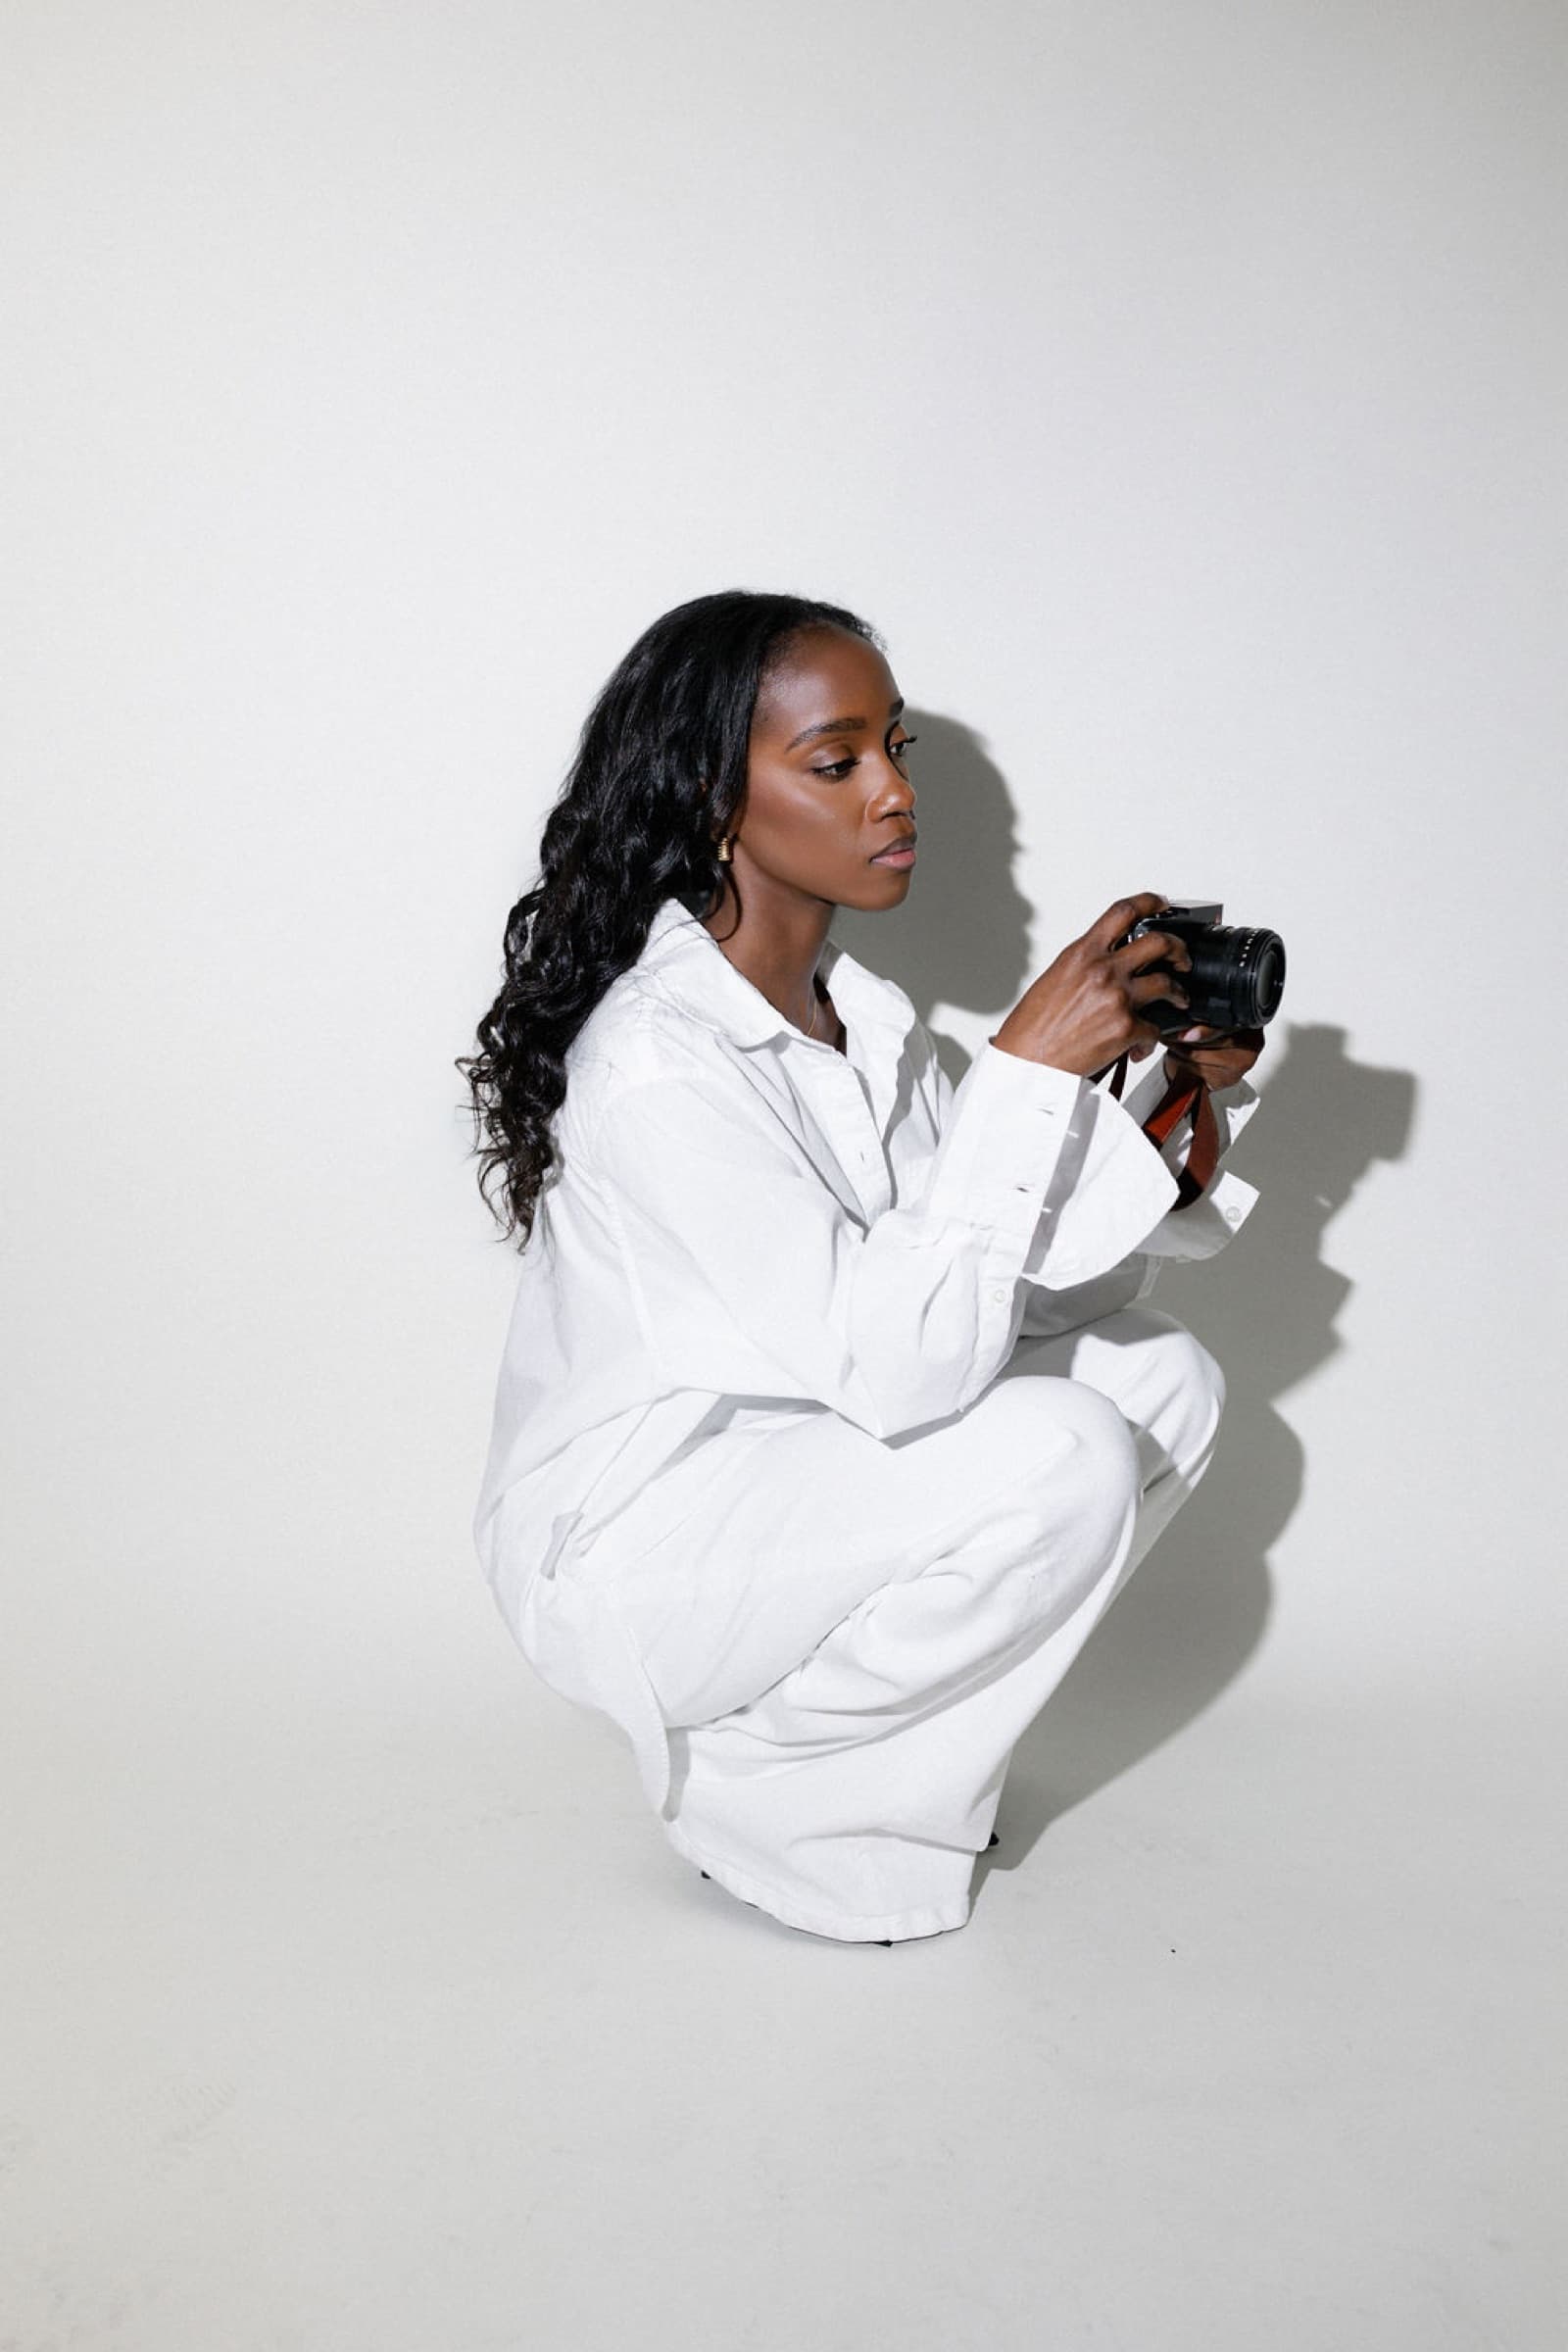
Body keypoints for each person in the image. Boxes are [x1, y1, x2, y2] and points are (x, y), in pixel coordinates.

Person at [459, 590, 1264, 1947]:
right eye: (837, 763)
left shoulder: (870, 1027)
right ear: (713, 799)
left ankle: (869, 1779)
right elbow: (900, 1373)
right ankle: (761, 1781)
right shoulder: (658, 1061)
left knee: (1158, 1379)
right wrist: (1023, 1075)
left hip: (799, 1480)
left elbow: (1020, 1306)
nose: (894, 793)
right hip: (639, 1550)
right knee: (1062, 1450)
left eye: (896, 747)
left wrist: (1166, 1113)